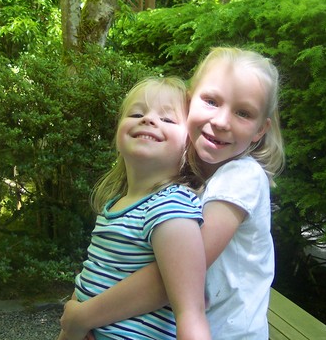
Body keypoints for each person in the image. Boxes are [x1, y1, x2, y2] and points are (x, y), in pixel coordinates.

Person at [60, 47, 285, 339]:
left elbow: (180, 275)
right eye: (211, 101)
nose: (220, 121)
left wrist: (84, 316)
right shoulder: (185, 178)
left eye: (243, 113)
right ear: (189, 103)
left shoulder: (242, 176)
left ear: (259, 130)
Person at [57, 76, 211, 340]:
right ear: (117, 136)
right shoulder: (115, 204)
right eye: (137, 113)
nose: (149, 119)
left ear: (189, 146)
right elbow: (91, 275)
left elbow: (191, 310)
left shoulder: (170, 206)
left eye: (168, 120)